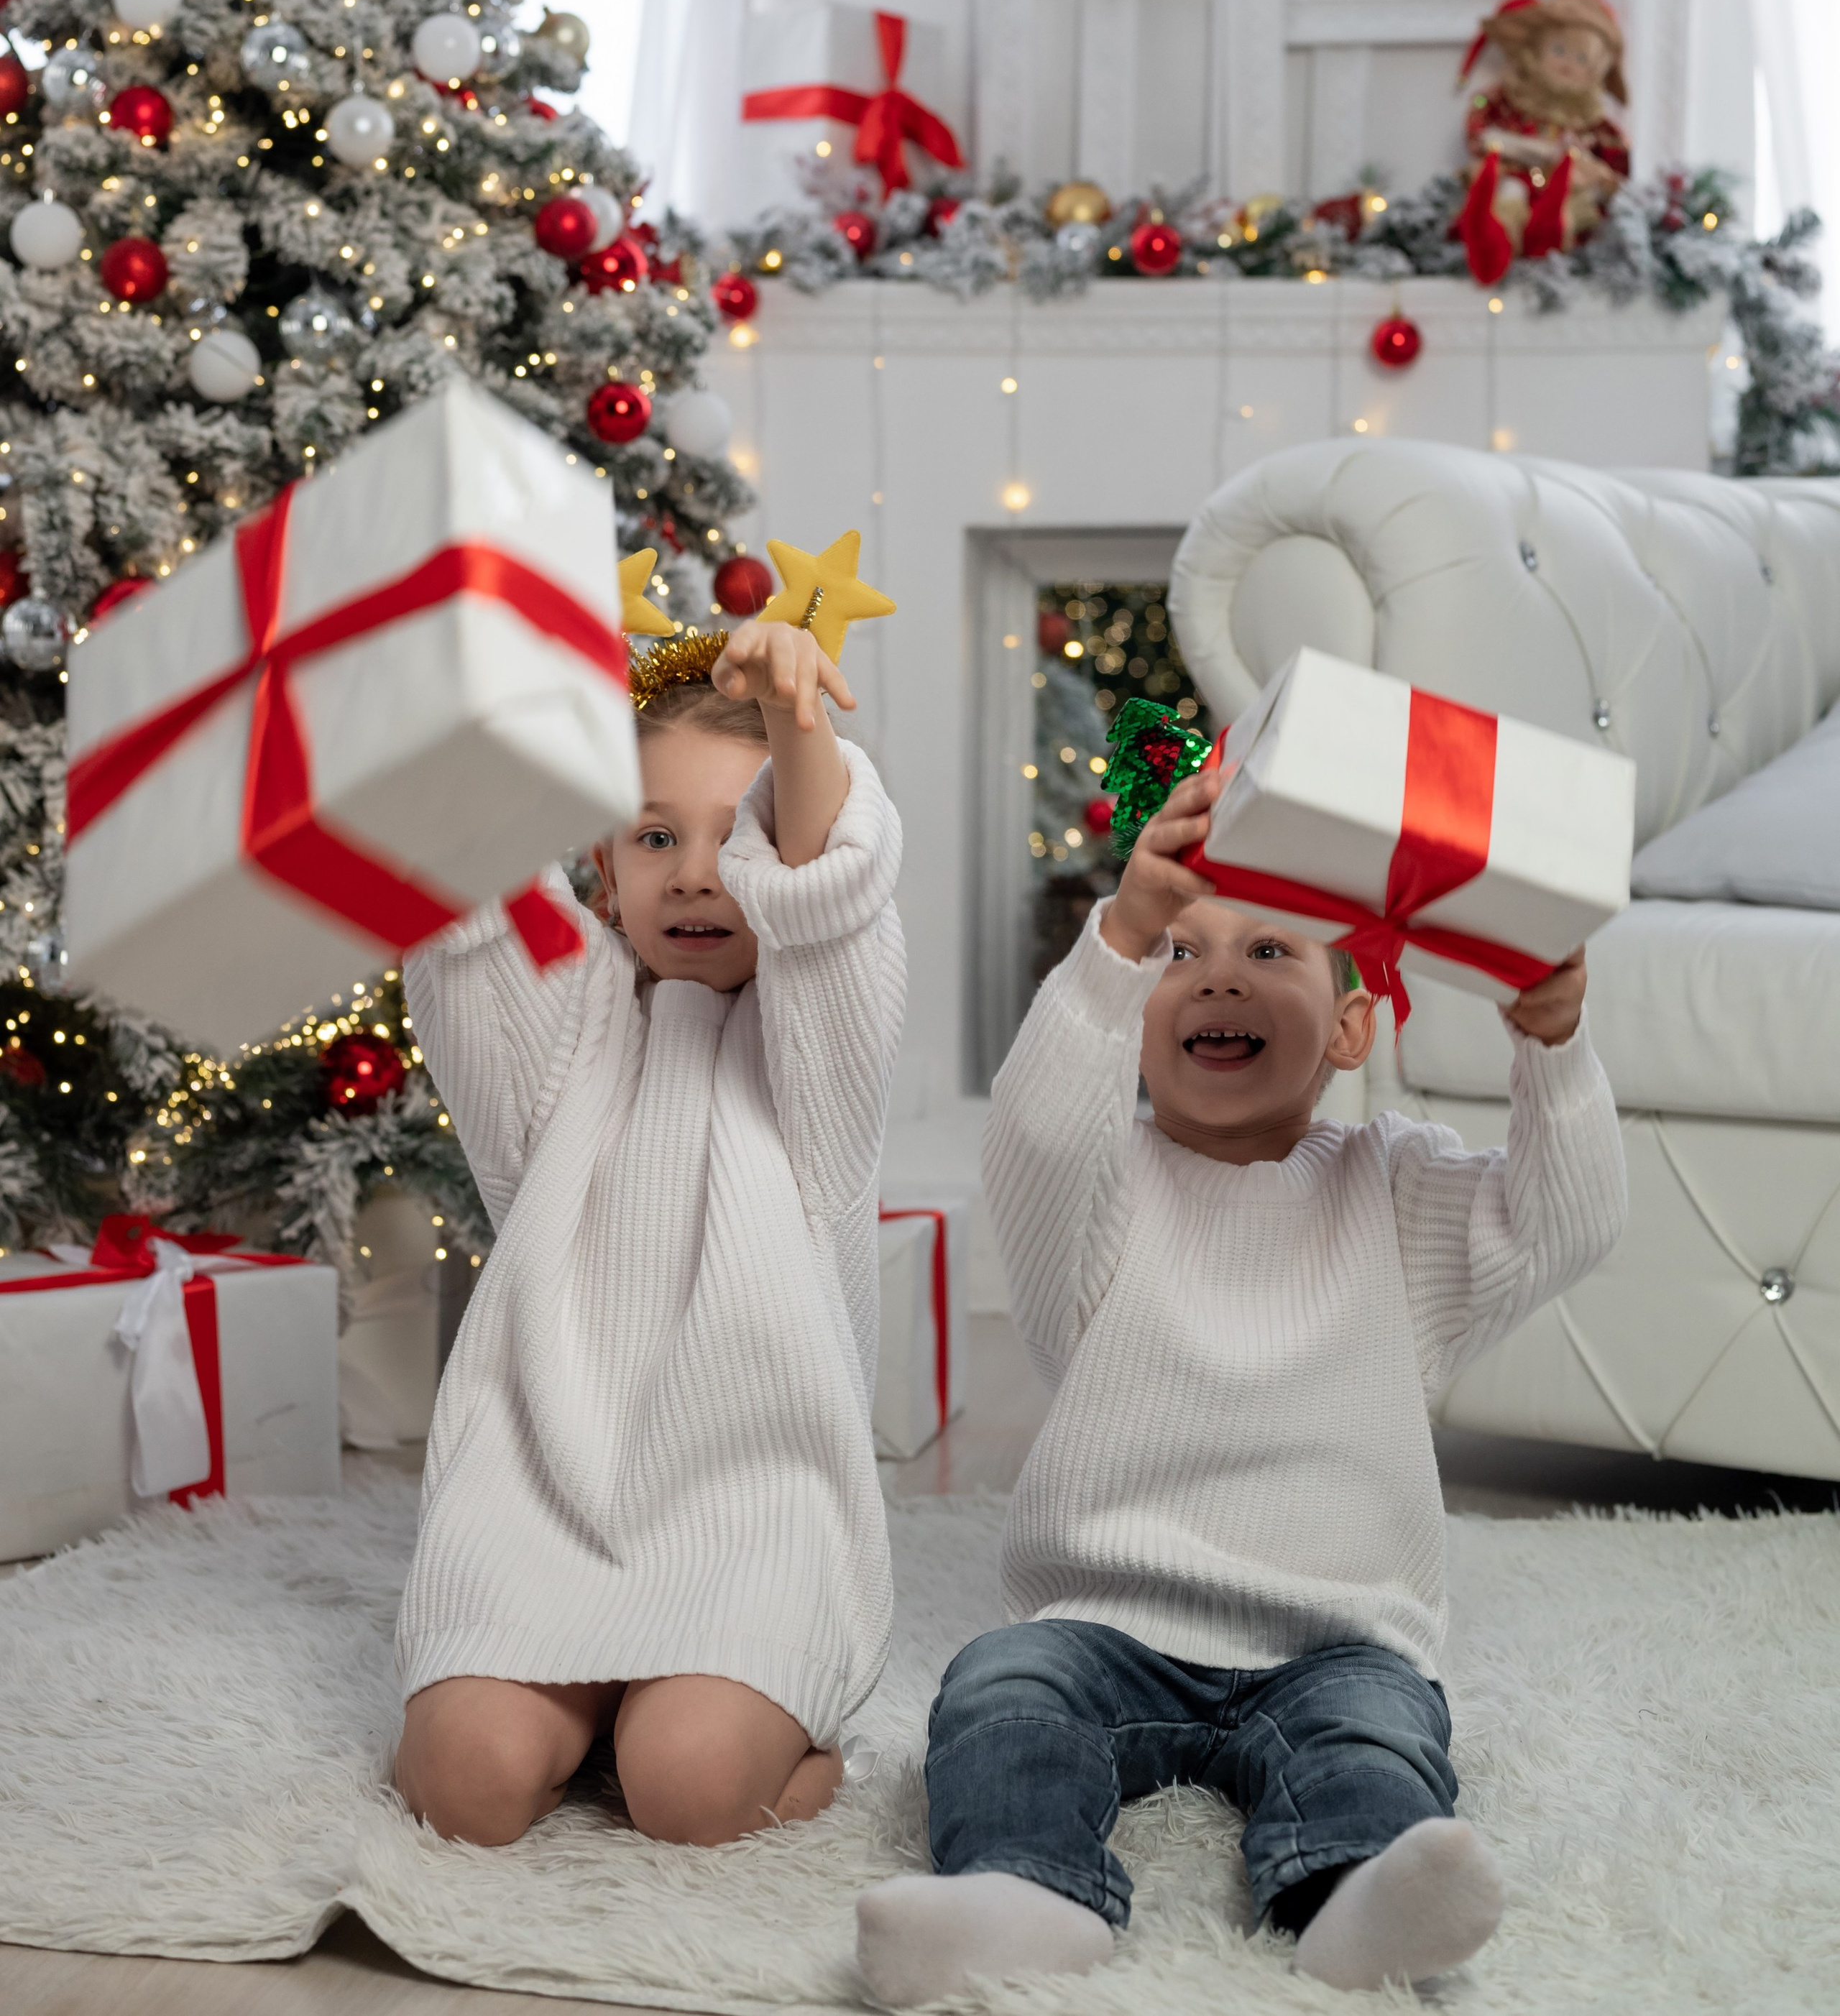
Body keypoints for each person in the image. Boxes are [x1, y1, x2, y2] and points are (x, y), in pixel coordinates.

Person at [857, 755, 1624, 2000]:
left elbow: (1564, 1221)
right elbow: (1041, 1123)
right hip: (1104, 1622)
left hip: (1336, 1633)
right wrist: (1119, 934)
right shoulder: (1094, 1195)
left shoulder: (1397, 1186)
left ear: (1353, 1018)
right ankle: (1022, 1888)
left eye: (1270, 950)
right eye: (1182, 953)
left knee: (1381, 1735)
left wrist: (1554, 1040)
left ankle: (1354, 1897)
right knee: (1001, 1691)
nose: (1214, 972)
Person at [392, 612, 903, 1849]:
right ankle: (578, 1702)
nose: (697, 871)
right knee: (463, 1789)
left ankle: (775, 1731)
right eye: (656, 836)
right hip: (540, 1506)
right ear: (604, 875)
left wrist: (797, 725)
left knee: (687, 1791)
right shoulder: (566, 1041)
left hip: (748, 1520)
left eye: (740, 836)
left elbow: (837, 907)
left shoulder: (816, 1063)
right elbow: (465, 924)